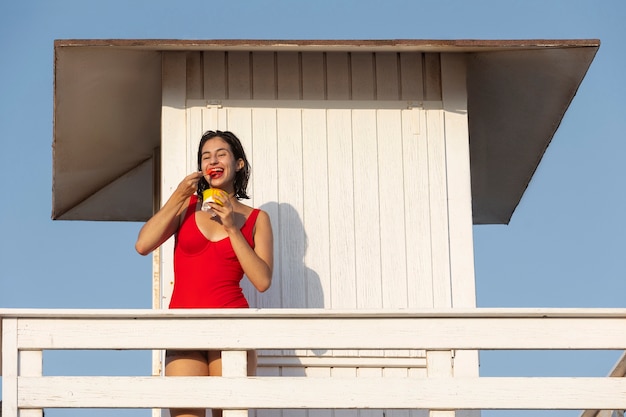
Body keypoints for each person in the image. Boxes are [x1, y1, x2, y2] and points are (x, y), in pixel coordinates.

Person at [135, 130, 274, 417]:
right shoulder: (186, 208)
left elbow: (262, 280)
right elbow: (142, 244)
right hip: (183, 326)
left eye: (221, 153)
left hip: (232, 326)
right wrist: (178, 195)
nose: (213, 160)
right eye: (205, 156)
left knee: (230, 413)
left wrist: (231, 227)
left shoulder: (257, 219)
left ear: (238, 164)